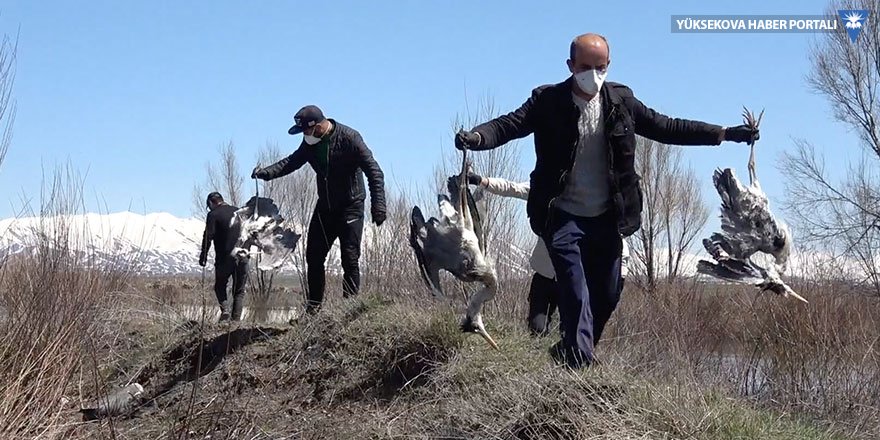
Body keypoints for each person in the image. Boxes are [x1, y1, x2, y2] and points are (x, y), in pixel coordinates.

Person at [454, 33, 759, 368]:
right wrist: (478, 137)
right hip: (562, 214)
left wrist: (724, 134)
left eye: (601, 67)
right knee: (574, 291)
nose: (594, 75)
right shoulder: (548, 101)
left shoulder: (621, 102)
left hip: (608, 216)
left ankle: (571, 349)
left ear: (609, 65)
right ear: (571, 66)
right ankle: (582, 363)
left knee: (609, 293)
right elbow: (509, 125)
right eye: (586, 67)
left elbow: (667, 127)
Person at [455, 172, 629, 337]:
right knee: (536, 328)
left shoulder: (593, 202)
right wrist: (482, 181)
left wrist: (619, 271)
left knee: (570, 331)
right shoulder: (549, 189)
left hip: (571, 276)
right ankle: (539, 360)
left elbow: (615, 240)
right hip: (544, 275)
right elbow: (513, 188)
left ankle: (566, 363)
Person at [252, 105, 386, 315]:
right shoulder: (310, 144)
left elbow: (375, 171)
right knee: (313, 257)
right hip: (326, 206)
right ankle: (313, 310)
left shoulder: (350, 138)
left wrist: (379, 205)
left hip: (351, 206)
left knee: (349, 258)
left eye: (306, 130)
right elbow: (291, 162)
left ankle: (348, 312)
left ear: (318, 126)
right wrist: (266, 173)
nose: (305, 135)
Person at [198, 191, 249, 322]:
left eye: (209, 206)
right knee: (239, 291)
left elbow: (208, 237)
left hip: (225, 258)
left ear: (211, 203)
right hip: (243, 256)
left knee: (220, 286)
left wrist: (203, 256)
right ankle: (235, 322)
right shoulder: (240, 212)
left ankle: (225, 310)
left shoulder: (213, 215)